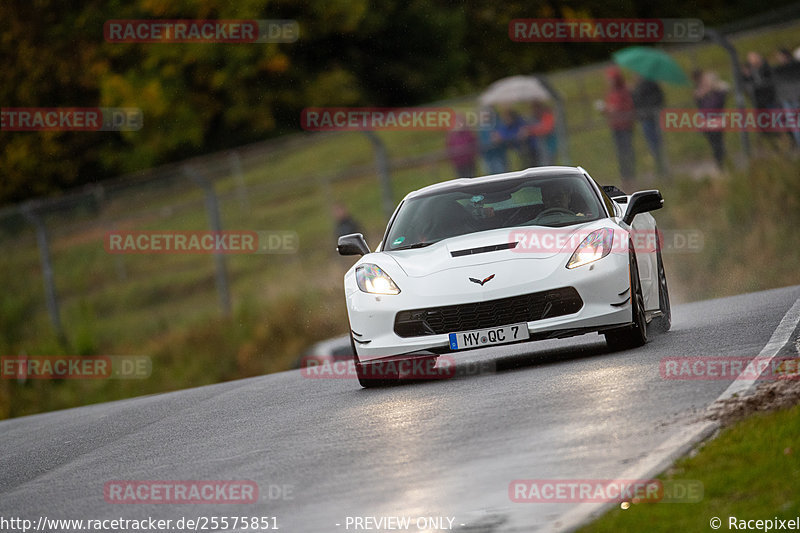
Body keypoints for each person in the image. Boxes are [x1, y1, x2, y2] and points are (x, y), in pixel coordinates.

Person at [601, 66, 636, 188]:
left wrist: (613, 109)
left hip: (625, 126)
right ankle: (625, 177)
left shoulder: (623, 91)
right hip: (616, 126)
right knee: (621, 153)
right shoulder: (611, 92)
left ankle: (631, 176)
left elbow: (626, 106)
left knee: (627, 151)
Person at [692, 70, 729, 169]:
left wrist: (712, 88)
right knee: (714, 144)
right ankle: (722, 160)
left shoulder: (718, 92)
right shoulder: (702, 94)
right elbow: (698, 104)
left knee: (717, 143)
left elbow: (725, 89)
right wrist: (699, 95)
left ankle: (720, 164)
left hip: (716, 121)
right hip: (706, 122)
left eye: (707, 81)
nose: (705, 83)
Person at [631, 74, 667, 176]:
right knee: (652, 144)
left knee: (658, 142)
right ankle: (659, 166)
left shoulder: (651, 84)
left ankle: (662, 166)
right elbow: (636, 102)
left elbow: (658, 99)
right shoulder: (637, 87)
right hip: (645, 119)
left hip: (653, 117)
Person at [522, 101, 558, 166]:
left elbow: (546, 129)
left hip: (548, 146)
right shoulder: (536, 118)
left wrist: (531, 131)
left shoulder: (547, 116)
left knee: (547, 163)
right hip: (538, 148)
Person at [477, 107, 507, 174]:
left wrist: (499, 137)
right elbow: (480, 141)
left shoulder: (497, 124)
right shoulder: (481, 128)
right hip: (487, 156)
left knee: (501, 173)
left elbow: (503, 135)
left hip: (498, 155)